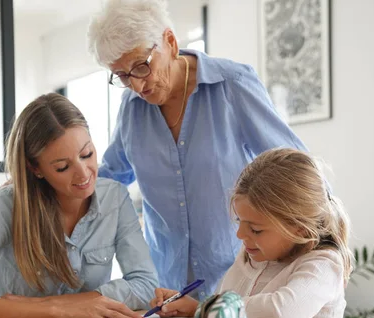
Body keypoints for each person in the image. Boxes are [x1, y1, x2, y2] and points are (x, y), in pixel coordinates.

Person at [87, 0, 308, 300]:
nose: (137, 85)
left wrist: (324, 249)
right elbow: (109, 178)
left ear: (170, 42)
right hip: (167, 290)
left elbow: (296, 169)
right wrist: (39, 187)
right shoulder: (131, 109)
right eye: (123, 76)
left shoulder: (231, 85)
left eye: (141, 66)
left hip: (240, 285)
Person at [0, 93, 159, 318]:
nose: (84, 174)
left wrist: (71, 305)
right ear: (36, 169)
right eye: (62, 167)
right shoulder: (8, 204)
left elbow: (146, 284)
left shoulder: (115, 198)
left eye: (87, 154)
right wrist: (54, 309)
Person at [150, 148, 352, 318]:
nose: (240, 235)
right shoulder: (252, 255)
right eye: (239, 222)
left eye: (255, 229)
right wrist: (196, 309)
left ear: (298, 228)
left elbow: (282, 313)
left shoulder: (323, 264)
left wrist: (207, 309)